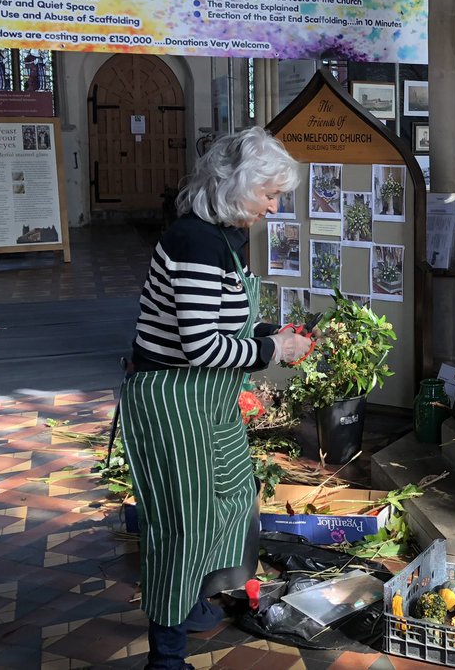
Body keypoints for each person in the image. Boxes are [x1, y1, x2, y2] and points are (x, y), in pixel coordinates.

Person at [121, 126, 312, 670]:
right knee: (183, 522)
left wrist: (269, 329)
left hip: (205, 399)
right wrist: (272, 347)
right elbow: (201, 345)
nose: (273, 208)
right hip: (173, 400)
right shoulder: (196, 242)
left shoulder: (222, 238)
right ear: (235, 185)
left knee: (230, 500)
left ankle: (194, 598)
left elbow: (223, 319)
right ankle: (167, 653)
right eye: (269, 195)